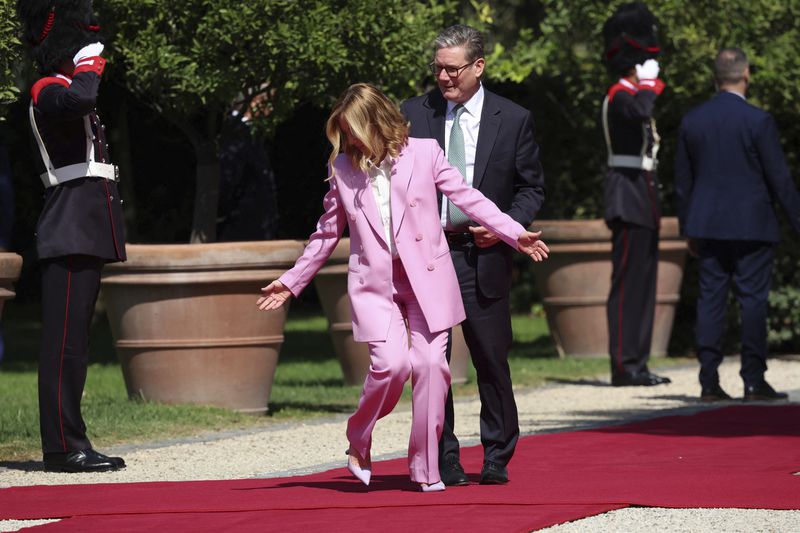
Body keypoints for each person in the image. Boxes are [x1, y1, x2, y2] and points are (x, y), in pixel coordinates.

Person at [257, 83, 550, 492]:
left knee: (433, 368)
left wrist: (513, 233)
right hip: (376, 286)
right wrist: (291, 283)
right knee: (391, 367)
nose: (353, 140)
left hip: (426, 281)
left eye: (356, 129)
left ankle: (426, 469)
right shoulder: (344, 168)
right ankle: (359, 436)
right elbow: (325, 235)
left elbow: (470, 198)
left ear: (377, 121)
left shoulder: (425, 152)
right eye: (345, 132)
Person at [400, 24, 545, 486]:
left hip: (485, 257)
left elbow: (530, 188)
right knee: (431, 362)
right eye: (438, 69)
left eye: (453, 69)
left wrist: (503, 226)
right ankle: (444, 458)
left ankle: (497, 454)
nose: (443, 78)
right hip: (430, 256)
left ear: (478, 67)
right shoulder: (412, 115)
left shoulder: (514, 117)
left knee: (490, 357)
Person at [17, 0, 127, 472]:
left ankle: (70, 439)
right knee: (63, 344)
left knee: (76, 344)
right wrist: (88, 63)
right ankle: (63, 446)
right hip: (69, 223)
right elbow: (80, 99)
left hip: (85, 222)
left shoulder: (68, 83)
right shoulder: (47, 87)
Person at [674, 48, 800, 402]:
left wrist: (688, 228)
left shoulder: (693, 121)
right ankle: (753, 379)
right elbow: (780, 179)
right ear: (746, 75)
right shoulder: (759, 121)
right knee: (753, 302)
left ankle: (709, 380)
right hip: (752, 224)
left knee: (710, 301)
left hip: (708, 225)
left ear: (715, 79)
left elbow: (682, 182)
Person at [600, 3, 671, 387]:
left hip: (640, 190)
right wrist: (649, 83)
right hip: (627, 191)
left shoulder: (629, 92)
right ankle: (624, 365)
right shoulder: (621, 94)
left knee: (644, 281)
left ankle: (638, 362)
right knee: (628, 283)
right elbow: (642, 109)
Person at [216, 90, 279, 241]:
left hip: (254, 224)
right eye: (269, 103)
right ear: (255, 102)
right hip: (242, 226)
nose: (272, 110)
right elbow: (227, 178)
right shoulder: (235, 133)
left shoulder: (249, 132)